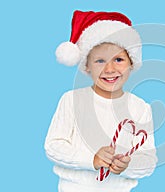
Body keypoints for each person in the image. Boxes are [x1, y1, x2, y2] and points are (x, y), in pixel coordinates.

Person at [44, 10, 157, 192]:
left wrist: (129, 164)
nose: (110, 69)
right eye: (100, 61)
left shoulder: (140, 108)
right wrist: (92, 159)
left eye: (118, 59)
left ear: (132, 63)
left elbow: (148, 161)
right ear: (87, 66)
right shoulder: (72, 100)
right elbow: (53, 146)